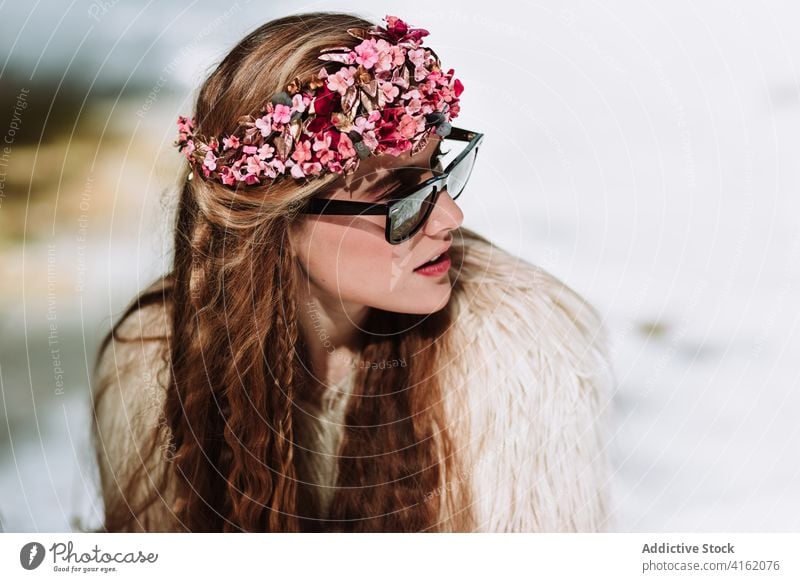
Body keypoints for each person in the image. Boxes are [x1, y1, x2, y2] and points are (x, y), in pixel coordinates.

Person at [91, 11, 616, 533]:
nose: (451, 218)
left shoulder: (517, 359)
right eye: (397, 195)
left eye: (440, 172)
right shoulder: (157, 365)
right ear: (277, 221)